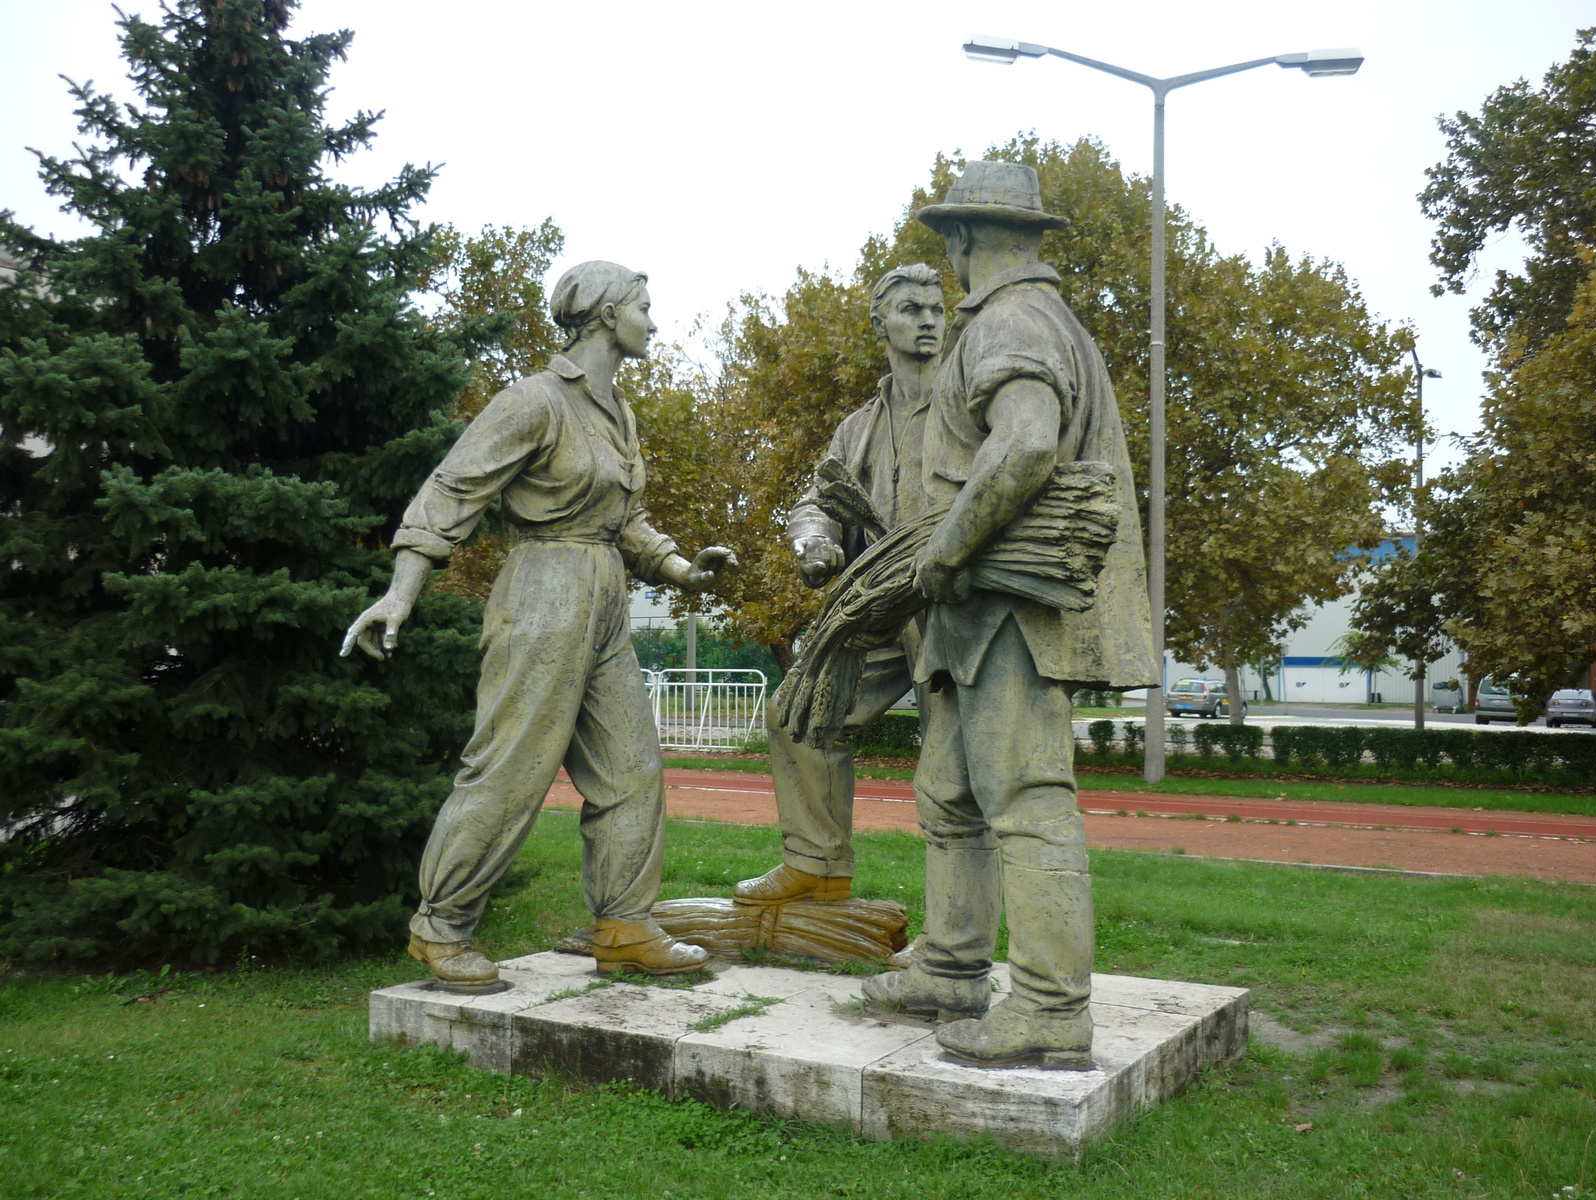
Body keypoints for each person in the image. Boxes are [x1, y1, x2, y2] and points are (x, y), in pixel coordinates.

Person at [342, 261, 736, 989]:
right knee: (512, 767)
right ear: (604, 315)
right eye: (644, 307)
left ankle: (623, 924)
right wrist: (401, 593)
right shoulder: (534, 401)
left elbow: (627, 520)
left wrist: (681, 569)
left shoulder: (619, 412)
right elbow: (450, 490)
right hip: (544, 591)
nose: (653, 322)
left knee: (633, 768)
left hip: (605, 596)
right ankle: (440, 926)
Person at [861, 162, 1158, 1067]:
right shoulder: (1033, 317)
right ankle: (953, 965)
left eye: (948, 240)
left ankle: (1051, 1009)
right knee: (950, 794)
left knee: (1026, 801)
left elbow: (1026, 439)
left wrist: (947, 548)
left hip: (1008, 609)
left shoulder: (1010, 321)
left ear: (960, 239)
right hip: (974, 616)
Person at [732, 265, 947, 909]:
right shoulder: (857, 427)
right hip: (881, 603)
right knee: (798, 712)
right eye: (912, 309)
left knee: (953, 770)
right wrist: (814, 539)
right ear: (880, 323)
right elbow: (815, 501)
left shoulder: (971, 407)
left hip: (952, 604)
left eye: (938, 308)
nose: (931, 319)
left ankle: (951, 937)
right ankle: (817, 864)